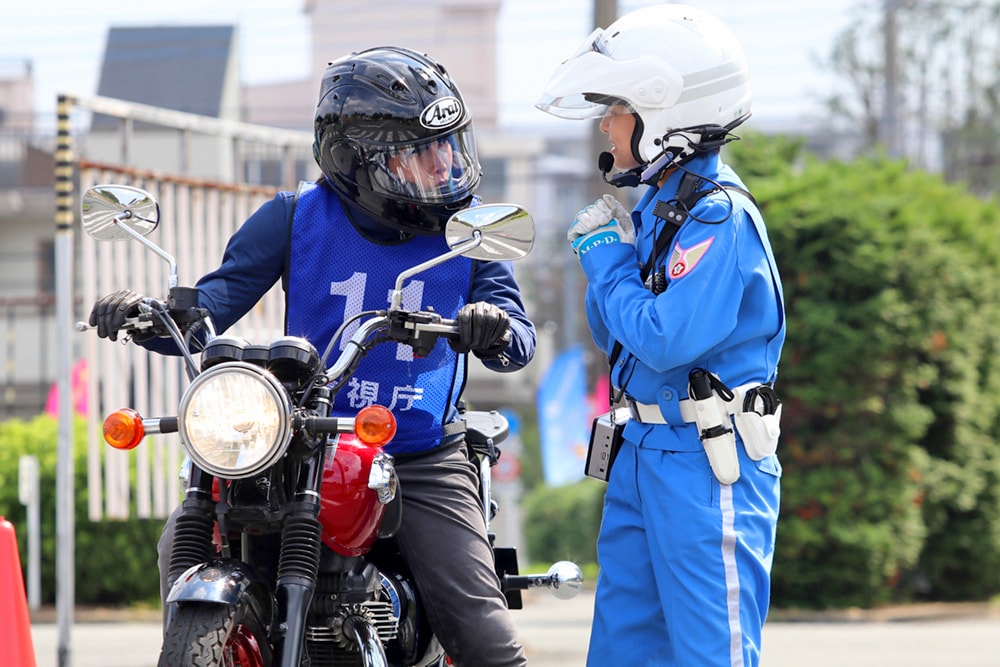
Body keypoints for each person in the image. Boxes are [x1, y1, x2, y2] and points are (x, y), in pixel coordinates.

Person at [89, 46, 531, 667]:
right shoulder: (293, 217)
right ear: (357, 159)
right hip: (301, 438)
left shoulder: (470, 231)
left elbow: (518, 339)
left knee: (483, 637)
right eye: (418, 151)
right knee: (180, 541)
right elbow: (212, 306)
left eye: (449, 145)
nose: (444, 165)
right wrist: (145, 317)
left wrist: (492, 327)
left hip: (421, 448)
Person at [537, 5, 786, 667]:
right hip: (642, 449)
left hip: (707, 458)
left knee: (710, 654)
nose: (605, 123)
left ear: (663, 113)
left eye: (615, 106)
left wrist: (608, 264)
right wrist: (609, 268)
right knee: (622, 649)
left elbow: (666, 338)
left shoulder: (719, 216)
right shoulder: (659, 206)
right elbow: (611, 334)